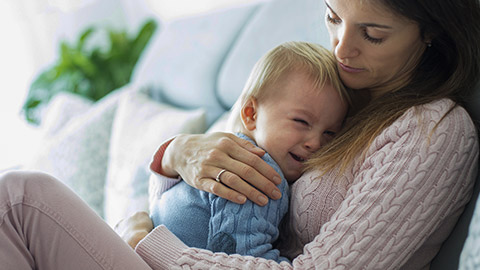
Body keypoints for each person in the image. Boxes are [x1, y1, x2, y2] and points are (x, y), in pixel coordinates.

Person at [0, 0, 478, 269]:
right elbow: (186, 194)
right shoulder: (314, 85)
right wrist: (173, 155)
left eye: (372, 34)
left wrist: (156, 247)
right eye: (333, 17)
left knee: (20, 199)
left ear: (430, 32)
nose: (341, 47)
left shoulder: (432, 131)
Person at [148, 41, 349, 262]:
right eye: (301, 121)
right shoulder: (258, 172)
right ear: (251, 114)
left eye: (330, 133)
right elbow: (240, 257)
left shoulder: (225, 148)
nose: (316, 143)